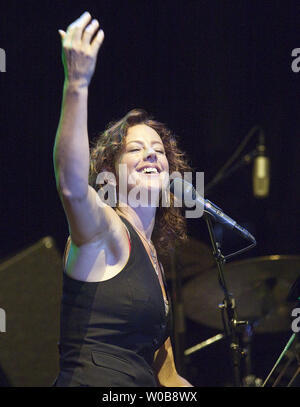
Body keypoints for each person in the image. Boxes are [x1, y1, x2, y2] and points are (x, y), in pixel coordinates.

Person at [53, 11, 193, 387]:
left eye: (158, 150)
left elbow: (169, 378)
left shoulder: (154, 262)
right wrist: (77, 84)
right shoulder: (107, 231)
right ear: (110, 173)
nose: (151, 155)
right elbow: (70, 186)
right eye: (136, 149)